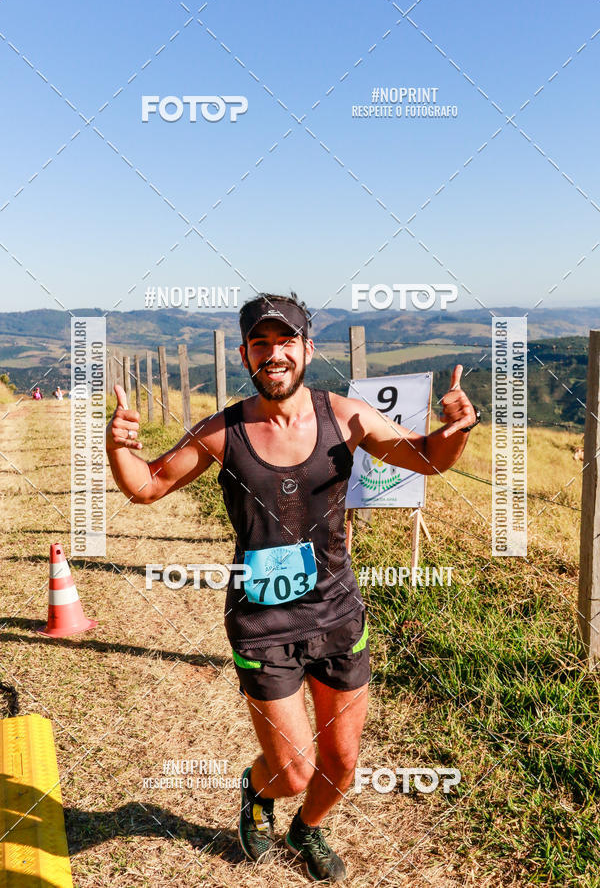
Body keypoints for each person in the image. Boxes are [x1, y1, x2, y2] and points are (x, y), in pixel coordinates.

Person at [106, 293, 479, 882]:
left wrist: (457, 427)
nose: (273, 354)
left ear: (307, 349)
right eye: (261, 344)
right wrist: (118, 447)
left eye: (286, 342)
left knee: (343, 763)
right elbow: (146, 487)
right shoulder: (224, 430)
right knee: (294, 770)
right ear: (244, 355)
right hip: (263, 623)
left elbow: (429, 458)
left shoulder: (347, 417)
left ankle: (307, 828)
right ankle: (259, 792)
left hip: (336, 614)